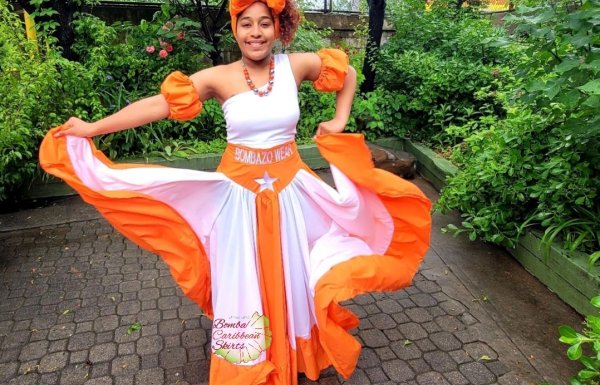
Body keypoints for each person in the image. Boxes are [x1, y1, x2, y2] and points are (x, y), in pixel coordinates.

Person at [39, 0, 432, 384]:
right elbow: (158, 105)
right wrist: (92, 128)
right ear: (235, 29)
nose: (255, 32)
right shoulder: (218, 77)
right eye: (246, 23)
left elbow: (345, 75)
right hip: (238, 199)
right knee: (244, 278)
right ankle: (249, 358)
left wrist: (340, 119)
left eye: (264, 23)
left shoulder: (295, 66)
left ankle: (294, 349)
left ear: (278, 28)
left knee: (292, 272)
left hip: (291, 194)